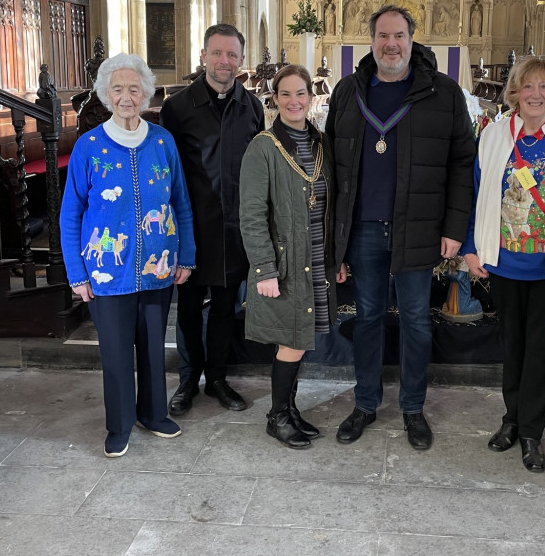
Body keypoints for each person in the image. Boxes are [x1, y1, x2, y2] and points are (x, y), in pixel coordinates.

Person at [326, 4, 476, 451]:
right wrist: (337, 237)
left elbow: (462, 164)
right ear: (370, 40)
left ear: (413, 40)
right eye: (383, 36)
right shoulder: (347, 91)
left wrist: (454, 227)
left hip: (420, 228)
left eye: (400, 36)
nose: (391, 44)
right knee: (367, 319)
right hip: (364, 229)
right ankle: (366, 403)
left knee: (415, 321)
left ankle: (413, 408)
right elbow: (332, 165)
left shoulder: (443, 93)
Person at [461, 56, 545, 473]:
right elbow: (476, 193)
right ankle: (511, 419)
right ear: (514, 92)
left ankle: (532, 431)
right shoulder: (494, 135)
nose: (535, 94)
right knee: (511, 346)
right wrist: (470, 247)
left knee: (540, 350)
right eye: (527, 86)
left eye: (544, 87)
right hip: (503, 261)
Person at [61, 53, 196, 458]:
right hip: (105, 273)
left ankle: (153, 414)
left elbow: (181, 202)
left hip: (158, 268)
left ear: (145, 94)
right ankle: (119, 424)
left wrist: (185, 256)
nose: (126, 96)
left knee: (153, 347)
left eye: (133, 88)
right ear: (105, 94)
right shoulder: (88, 147)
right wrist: (76, 274)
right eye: (117, 89)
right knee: (117, 353)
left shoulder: (162, 141)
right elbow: (71, 214)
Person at [159, 24, 265, 414]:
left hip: (236, 229)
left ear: (241, 60)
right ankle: (188, 380)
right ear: (203, 55)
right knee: (187, 308)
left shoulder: (252, 107)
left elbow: (259, 170)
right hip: (192, 228)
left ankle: (217, 378)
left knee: (225, 308)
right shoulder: (177, 107)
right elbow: (167, 173)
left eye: (232, 54)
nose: (225, 61)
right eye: (217, 53)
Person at [239, 65, 343, 449]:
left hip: (315, 256)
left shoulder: (321, 144)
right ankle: (277, 416)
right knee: (292, 340)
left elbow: (331, 207)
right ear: (274, 99)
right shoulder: (263, 147)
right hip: (283, 263)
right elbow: (251, 215)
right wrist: (264, 268)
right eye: (285, 94)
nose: (294, 101)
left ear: (312, 99)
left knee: (299, 336)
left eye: (301, 94)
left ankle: (290, 408)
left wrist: (336, 259)